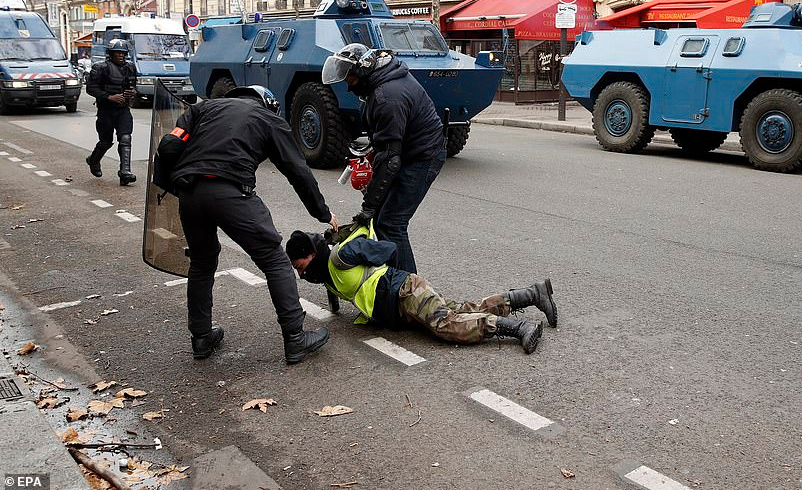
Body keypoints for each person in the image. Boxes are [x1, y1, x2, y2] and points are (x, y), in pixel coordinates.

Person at [154, 85, 338, 364]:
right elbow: (298, 171)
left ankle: (201, 338)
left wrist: (176, 187)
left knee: (202, 264)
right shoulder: (268, 119)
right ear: (267, 103)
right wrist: (322, 213)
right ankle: (295, 339)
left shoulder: (202, 109)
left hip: (189, 194)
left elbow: (168, 148)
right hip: (231, 192)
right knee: (275, 261)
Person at [285, 225, 557, 354]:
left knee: (448, 325)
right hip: (402, 304)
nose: (301, 273)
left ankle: (519, 328)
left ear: (311, 254)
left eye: (300, 266)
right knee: (463, 310)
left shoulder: (341, 256)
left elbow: (389, 248)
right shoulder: (327, 273)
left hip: (405, 292)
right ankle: (532, 294)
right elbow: (337, 290)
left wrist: (394, 282)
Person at [322, 44, 446, 274]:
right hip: (411, 150)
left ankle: (408, 292)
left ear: (364, 71)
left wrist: (368, 206)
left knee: (391, 223)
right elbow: (388, 143)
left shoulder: (387, 97)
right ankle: (390, 278)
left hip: (422, 157)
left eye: (350, 81)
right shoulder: (383, 81)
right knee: (382, 218)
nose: (349, 89)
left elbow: (391, 160)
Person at [85, 38, 137, 185]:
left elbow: (134, 86)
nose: (120, 55)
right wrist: (109, 97)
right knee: (106, 141)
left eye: (123, 53)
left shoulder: (130, 68)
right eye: (117, 53)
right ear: (111, 54)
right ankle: (93, 160)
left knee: (125, 138)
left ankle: (125, 171)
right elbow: (91, 88)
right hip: (105, 111)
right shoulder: (100, 68)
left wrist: (131, 92)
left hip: (123, 110)